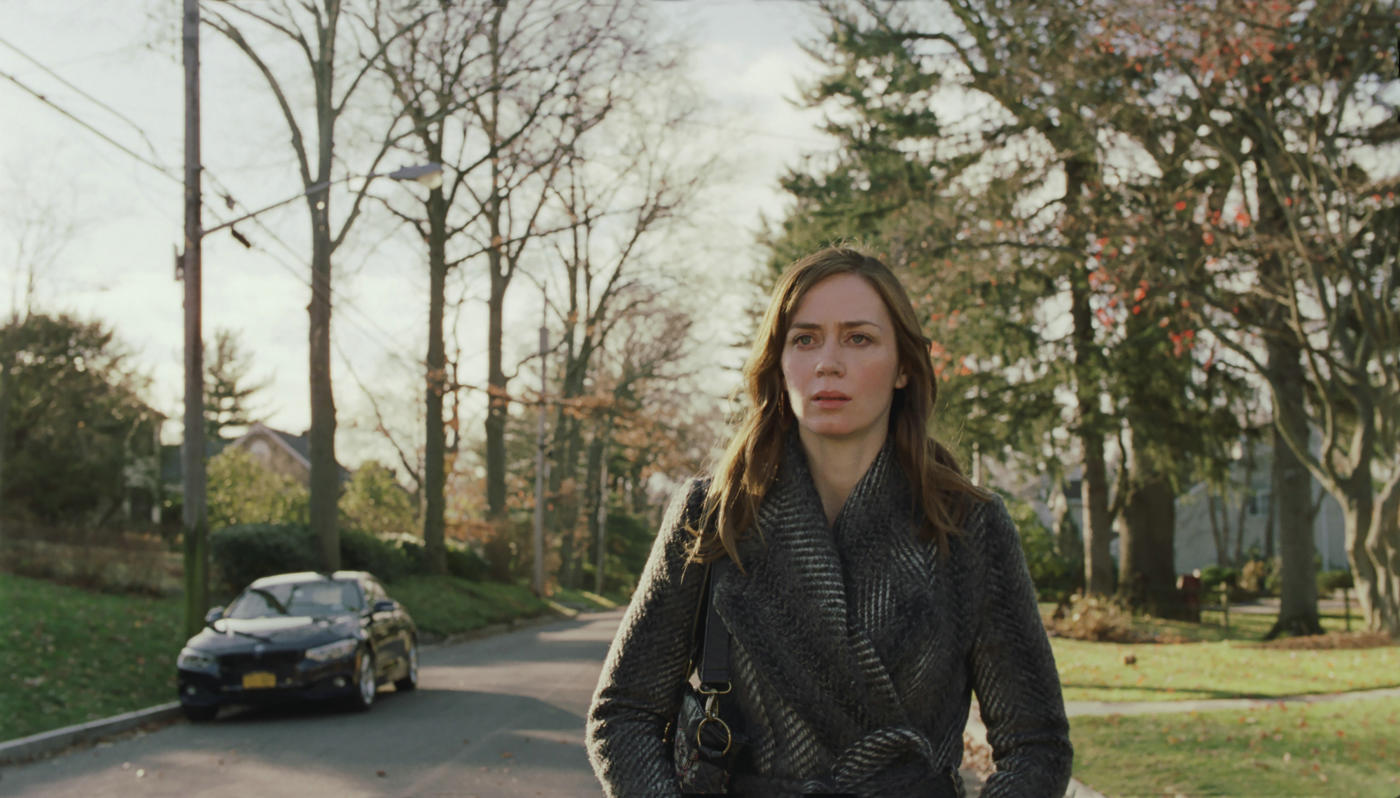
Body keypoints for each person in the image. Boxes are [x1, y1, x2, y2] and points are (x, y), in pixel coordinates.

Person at [586, 247, 1072, 797]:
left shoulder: (968, 526)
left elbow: (1036, 744)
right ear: (778, 363)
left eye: (859, 338)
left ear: (904, 367)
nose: (828, 363)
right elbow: (624, 712)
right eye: (805, 339)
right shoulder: (713, 516)